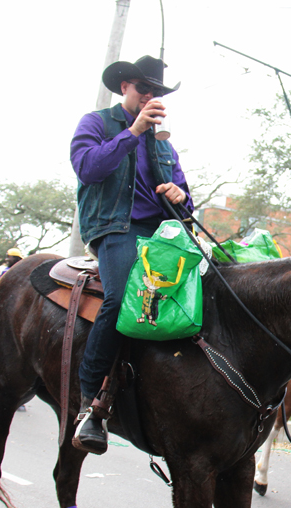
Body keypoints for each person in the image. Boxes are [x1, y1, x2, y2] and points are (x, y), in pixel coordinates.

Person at [70, 55, 193, 454]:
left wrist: (180, 196)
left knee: (206, 291)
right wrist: (133, 131)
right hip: (115, 228)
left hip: (159, 235)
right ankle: (91, 403)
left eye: (155, 92)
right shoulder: (96, 123)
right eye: (143, 89)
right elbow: (88, 168)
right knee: (123, 295)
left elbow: (184, 197)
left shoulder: (163, 143)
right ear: (124, 87)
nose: (149, 97)